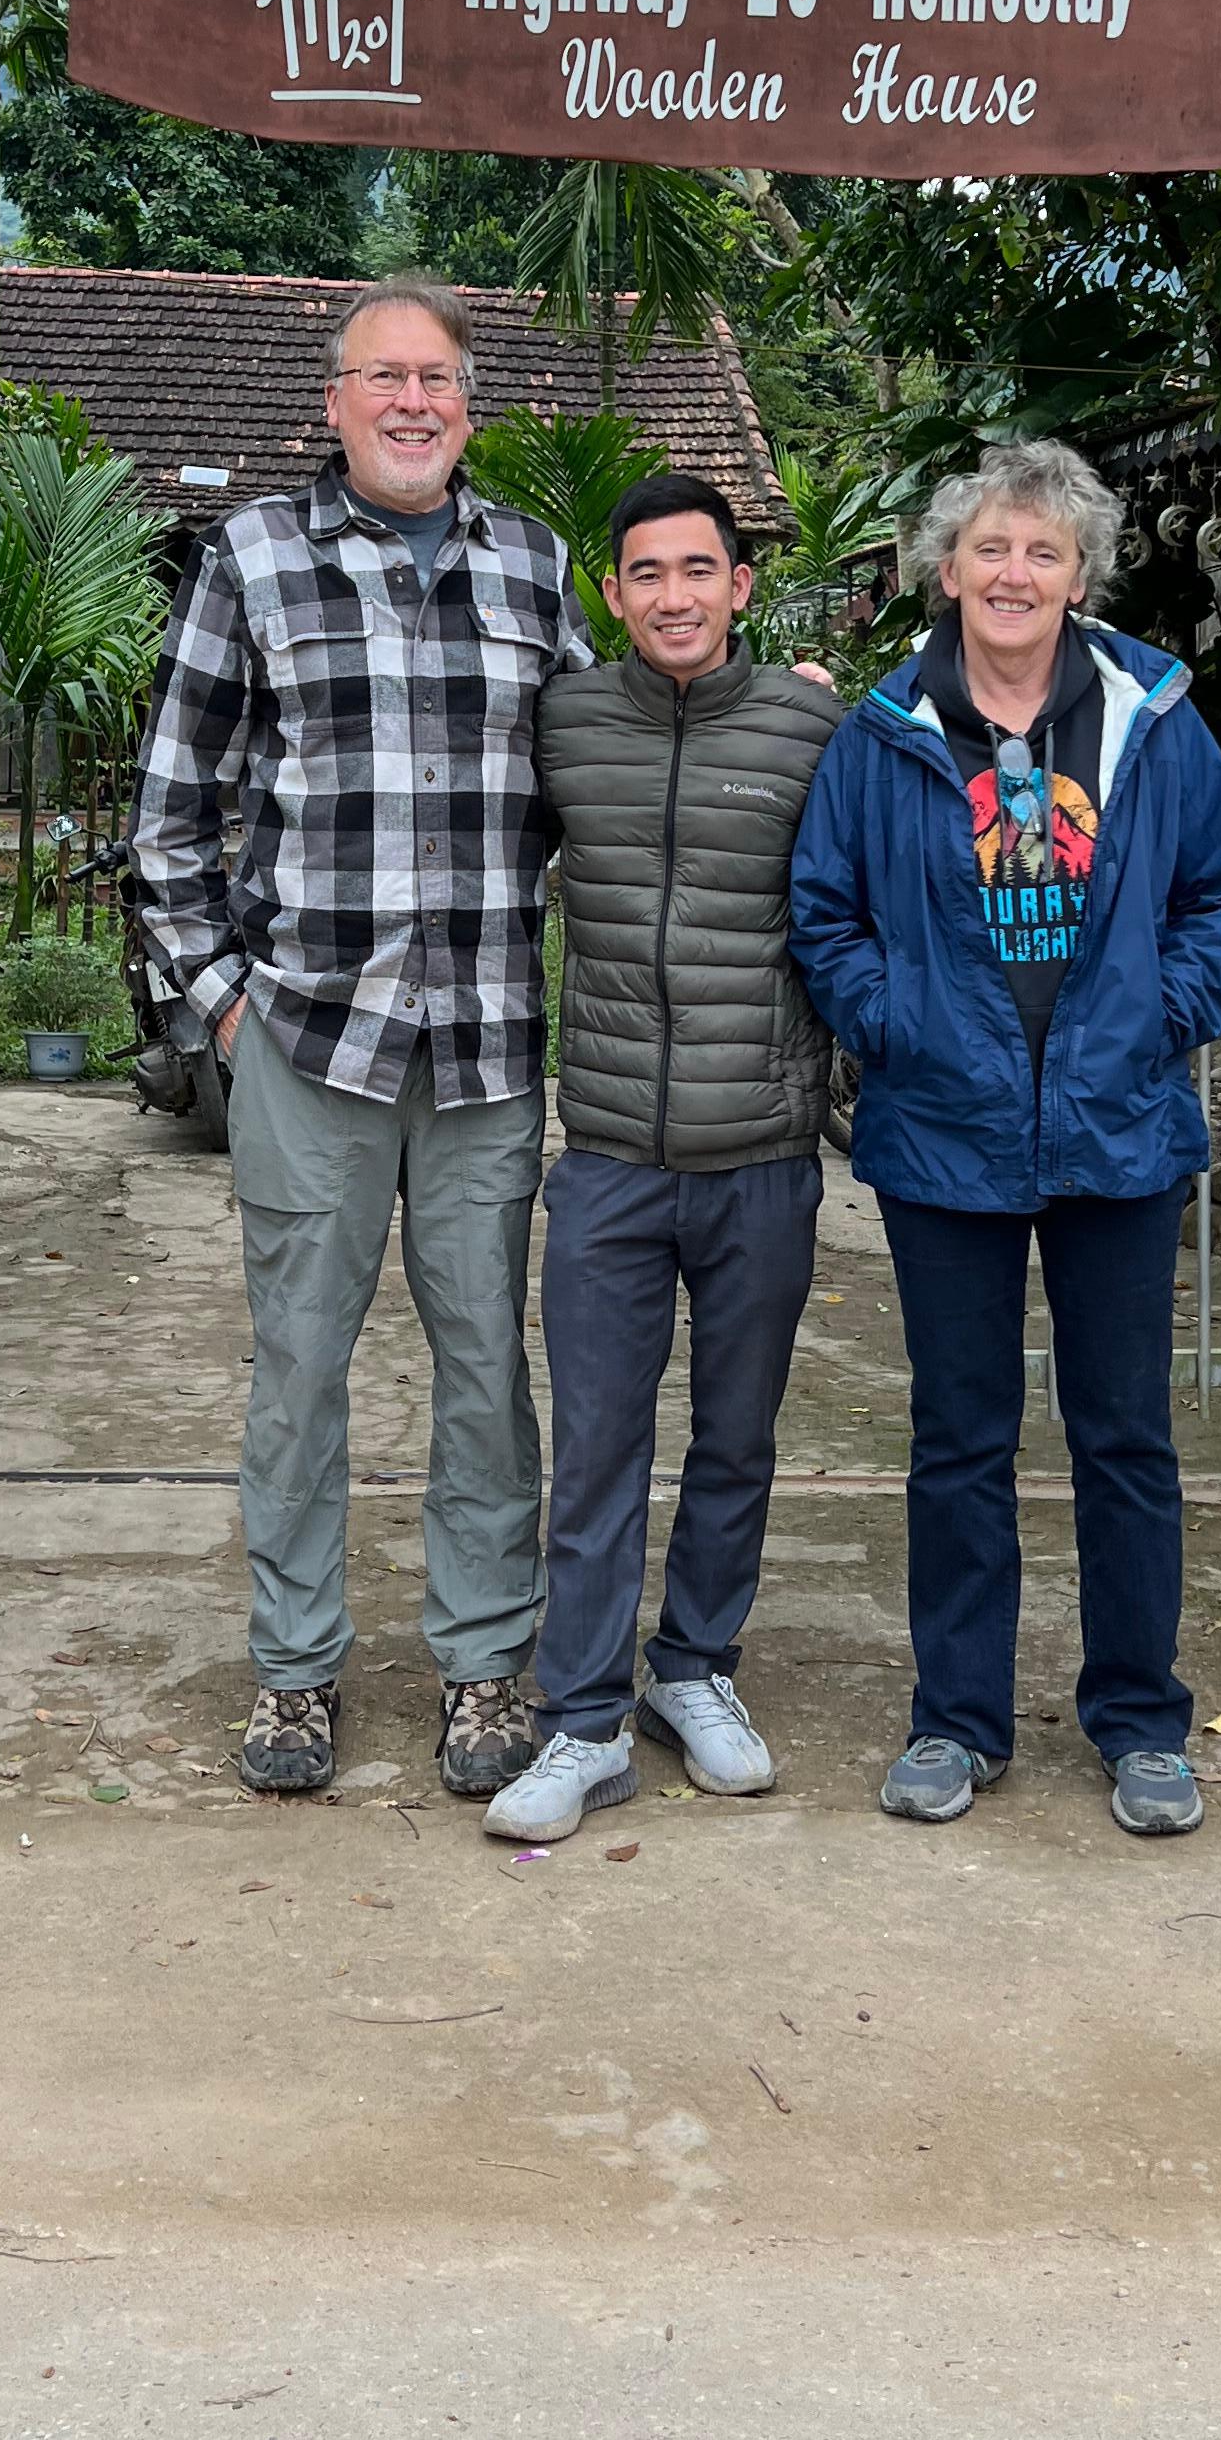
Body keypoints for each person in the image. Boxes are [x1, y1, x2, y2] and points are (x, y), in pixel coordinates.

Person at [130, 278, 593, 1803]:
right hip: (308, 1044)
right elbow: (171, 813)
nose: (412, 401)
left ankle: (480, 1664)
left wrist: (760, 719)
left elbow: (598, 766)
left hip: (484, 1046)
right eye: (382, 377)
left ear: (472, 404)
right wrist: (222, 1000)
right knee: (299, 1372)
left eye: (439, 378)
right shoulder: (251, 558)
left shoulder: (533, 565)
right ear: (331, 404)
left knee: (486, 1371)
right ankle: (296, 1672)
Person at [788, 438, 1221, 1839]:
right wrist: (898, 1026)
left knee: (1124, 1438)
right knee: (959, 1440)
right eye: (990, 548)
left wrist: (1162, 1018)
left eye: (1041, 552)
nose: (1013, 572)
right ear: (947, 569)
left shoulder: (1153, 720)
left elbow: (1220, 894)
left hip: (1118, 1125)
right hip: (948, 1131)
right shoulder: (886, 733)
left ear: (1078, 575)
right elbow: (828, 913)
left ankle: (1139, 1721)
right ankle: (958, 1719)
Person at [484, 472, 844, 1847]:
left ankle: (695, 1671)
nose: (676, 597)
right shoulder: (566, 722)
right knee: (596, 1449)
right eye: (648, 575)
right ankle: (581, 1720)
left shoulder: (814, 727)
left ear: (740, 584)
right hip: (615, 1155)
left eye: (700, 571)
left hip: (762, 1152)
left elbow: (863, 907)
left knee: (738, 1438)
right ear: (613, 593)